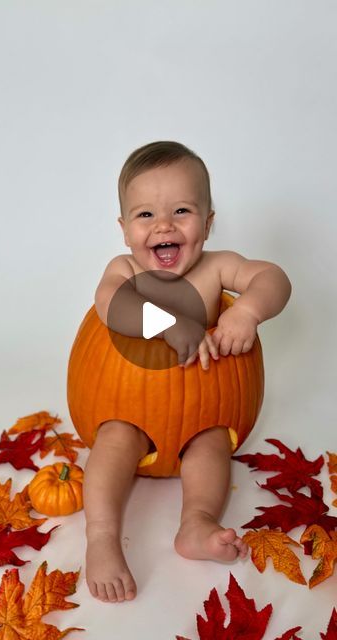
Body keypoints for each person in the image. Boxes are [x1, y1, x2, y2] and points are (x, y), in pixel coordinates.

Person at [83, 141, 291, 603]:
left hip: (205, 410)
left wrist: (248, 313)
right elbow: (110, 304)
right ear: (123, 229)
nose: (164, 226)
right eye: (145, 215)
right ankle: (100, 537)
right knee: (112, 441)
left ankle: (196, 523)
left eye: (181, 210)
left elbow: (274, 278)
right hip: (128, 408)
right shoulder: (124, 269)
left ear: (208, 222)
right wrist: (167, 324)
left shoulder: (219, 268)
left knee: (212, 446)